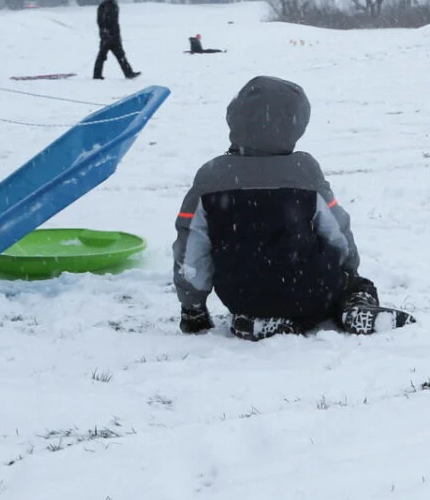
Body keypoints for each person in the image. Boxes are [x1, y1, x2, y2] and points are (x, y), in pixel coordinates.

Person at [172, 75, 404, 338]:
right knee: (356, 284)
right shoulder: (303, 171)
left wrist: (193, 308)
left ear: (235, 117)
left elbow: (191, 247)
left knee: (254, 300)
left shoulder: (210, 176)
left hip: (242, 293)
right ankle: (354, 303)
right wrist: (347, 271)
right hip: (310, 288)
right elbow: (337, 231)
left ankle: (253, 321)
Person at [93, 0, 139, 81]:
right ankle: (97, 75)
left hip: (115, 36)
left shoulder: (114, 4)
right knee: (102, 56)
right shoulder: (104, 6)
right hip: (107, 36)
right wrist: (105, 33)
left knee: (120, 55)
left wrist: (116, 33)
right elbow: (101, 21)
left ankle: (129, 73)